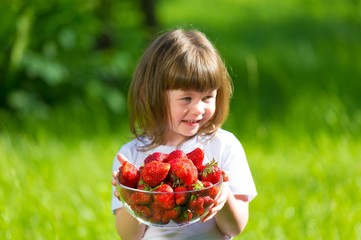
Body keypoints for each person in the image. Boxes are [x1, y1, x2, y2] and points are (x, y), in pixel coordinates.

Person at [111, 28, 257, 240]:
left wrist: (222, 195)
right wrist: (132, 197)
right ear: (151, 95)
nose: (198, 109)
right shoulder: (131, 156)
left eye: (207, 97)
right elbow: (129, 236)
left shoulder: (224, 146)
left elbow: (234, 228)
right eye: (186, 99)